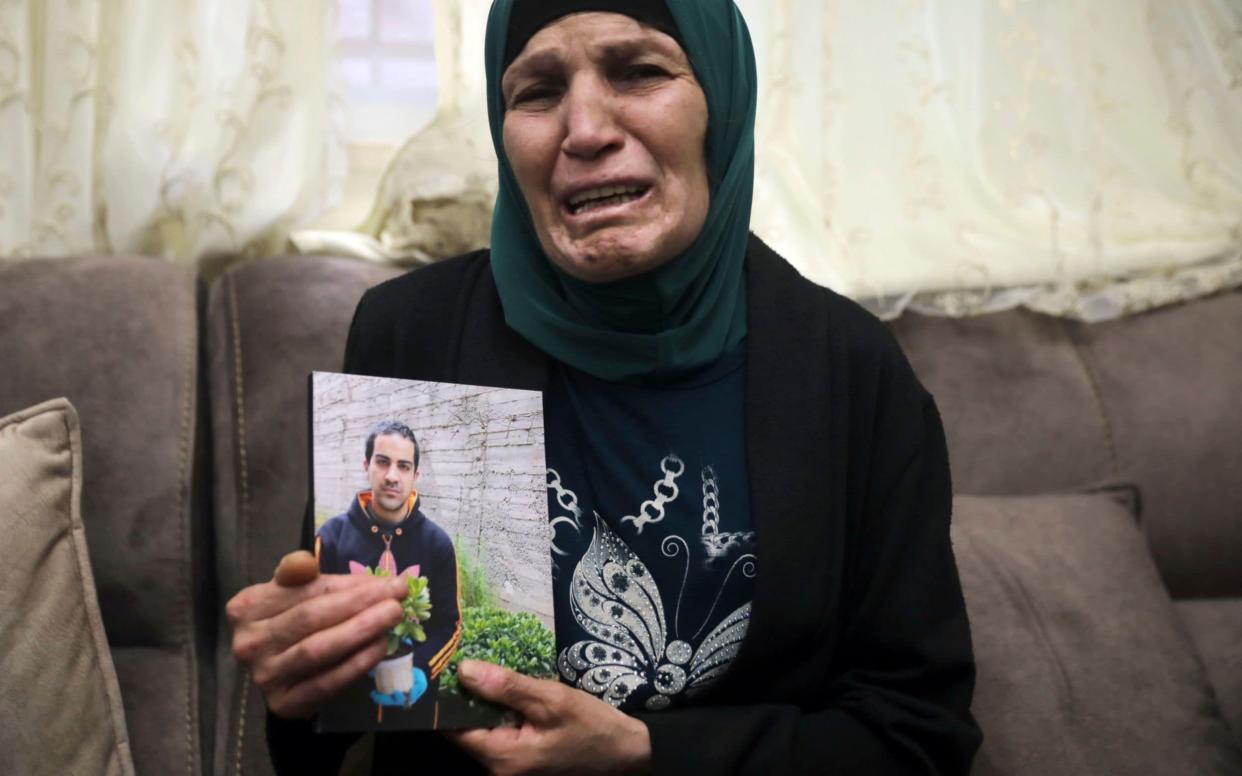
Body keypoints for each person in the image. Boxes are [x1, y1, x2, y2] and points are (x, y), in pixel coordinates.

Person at [227, 0, 983, 773]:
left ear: (721, 104)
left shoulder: (850, 368)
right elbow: (343, 719)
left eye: (640, 71)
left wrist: (645, 754)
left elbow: (914, 733)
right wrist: (308, 680)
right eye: (537, 91)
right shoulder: (414, 334)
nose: (585, 129)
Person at [312, 420, 461, 728]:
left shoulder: (438, 544)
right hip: (342, 710)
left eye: (403, 466)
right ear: (367, 466)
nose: (392, 476)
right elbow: (310, 619)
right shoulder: (329, 538)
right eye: (383, 462)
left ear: (416, 476)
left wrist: (422, 669)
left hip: (413, 713)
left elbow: (450, 625)